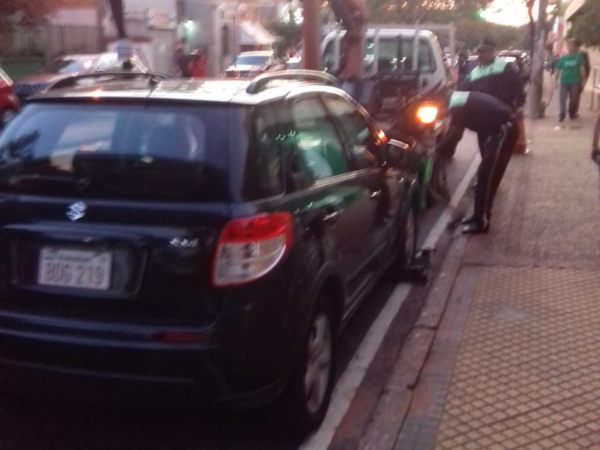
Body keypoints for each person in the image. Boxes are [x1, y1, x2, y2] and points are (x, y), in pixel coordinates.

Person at [441, 91, 519, 234]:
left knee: (487, 175)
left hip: (504, 129)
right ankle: (477, 216)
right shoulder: (458, 98)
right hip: (497, 129)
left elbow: (454, 134)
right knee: (484, 174)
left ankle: (481, 221)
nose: (443, 115)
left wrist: (436, 150)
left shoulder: (456, 106)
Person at [555, 39, 586, 122]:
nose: (570, 47)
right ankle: (562, 114)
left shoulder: (578, 57)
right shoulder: (563, 58)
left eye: (572, 45)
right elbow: (558, 70)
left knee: (573, 99)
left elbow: (582, 69)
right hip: (564, 81)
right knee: (562, 99)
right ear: (567, 46)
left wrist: (583, 80)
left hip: (574, 81)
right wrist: (556, 81)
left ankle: (571, 113)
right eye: (569, 45)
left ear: (575, 47)